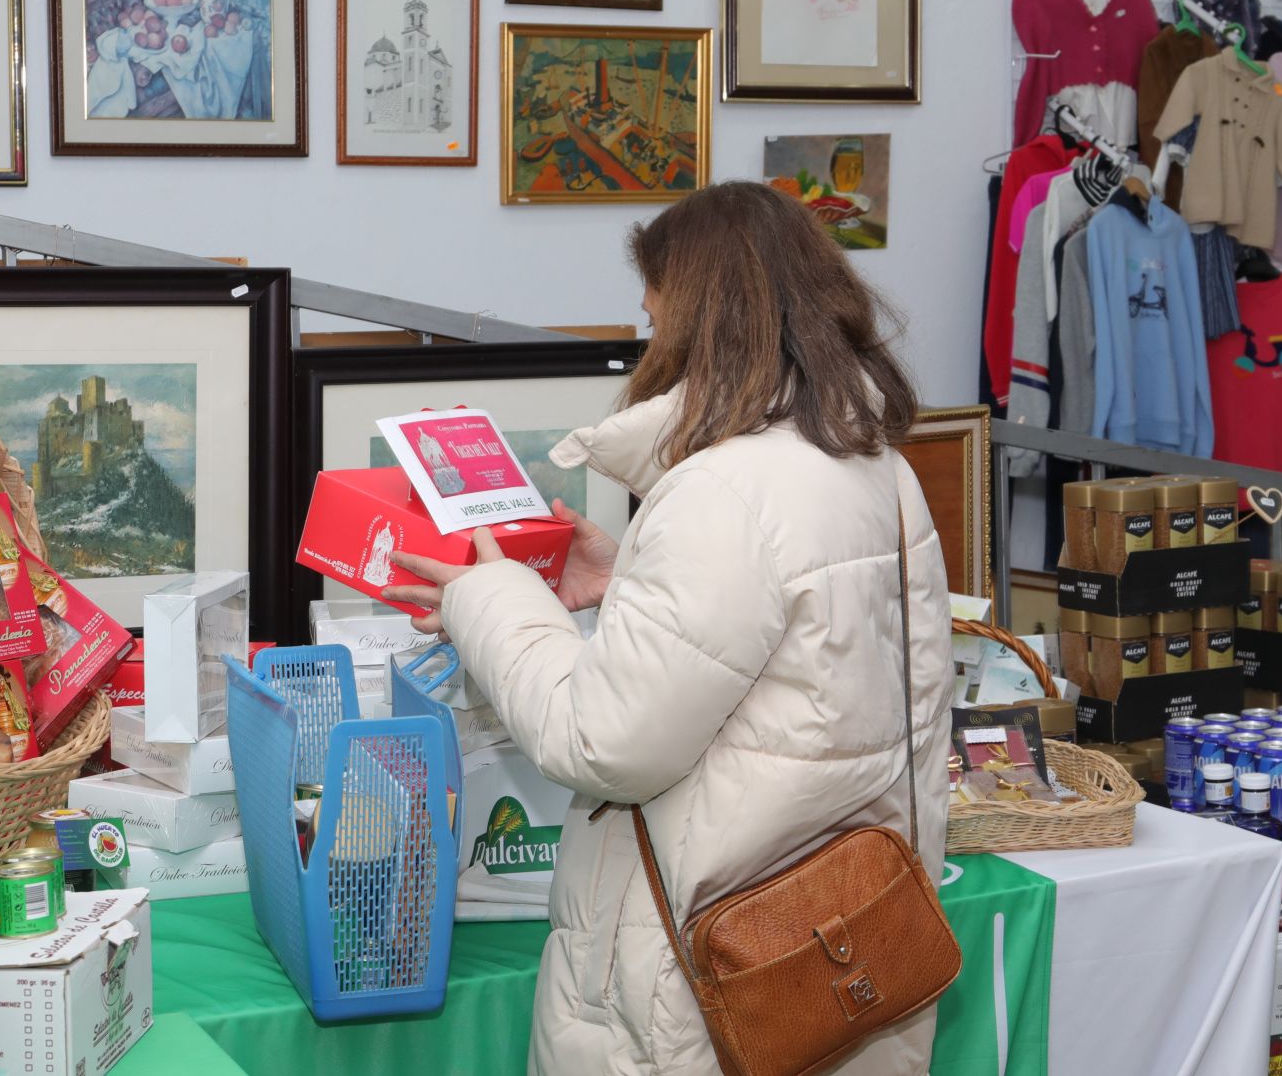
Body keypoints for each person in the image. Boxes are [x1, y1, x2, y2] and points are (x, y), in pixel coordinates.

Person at [385, 180, 953, 1075]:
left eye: (657, 321)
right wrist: (627, 586)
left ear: (701, 323)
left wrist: (487, 599)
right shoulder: (867, 462)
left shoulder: (723, 492)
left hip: (695, 989)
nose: (650, 344)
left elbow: (602, 743)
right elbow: (792, 671)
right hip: (830, 946)